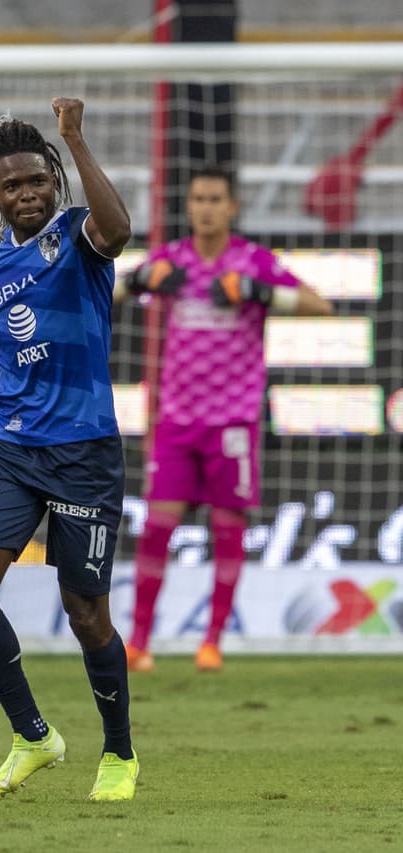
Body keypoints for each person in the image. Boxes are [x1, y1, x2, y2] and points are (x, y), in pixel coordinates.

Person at [0, 102, 138, 802]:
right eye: (13, 185)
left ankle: (119, 753)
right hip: (12, 448)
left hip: (84, 452)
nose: (28, 194)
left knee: (86, 614)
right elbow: (11, 344)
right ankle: (34, 736)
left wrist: (74, 139)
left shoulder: (79, 236)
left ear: (55, 180)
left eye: (39, 180)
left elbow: (120, 231)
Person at [118, 166, 333, 672]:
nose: (206, 208)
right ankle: (139, 642)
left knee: (228, 530)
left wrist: (261, 292)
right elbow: (105, 296)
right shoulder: (172, 259)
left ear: (232, 207)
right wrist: (138, 281)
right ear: (189, 207)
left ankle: (212, 642)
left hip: (234, 422)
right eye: (199, 199)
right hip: (177, 420)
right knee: (157, 528)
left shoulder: (252, 261)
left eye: (216, 199)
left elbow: (320, 305)